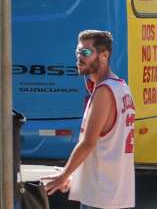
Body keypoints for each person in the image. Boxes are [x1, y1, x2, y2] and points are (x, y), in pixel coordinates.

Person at [44, 30, 135, 209]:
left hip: (101, 196)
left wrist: (63, 176)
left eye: (85, 52)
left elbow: (89, 143)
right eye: (78, 52)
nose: (79, 57)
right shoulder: (121, 87)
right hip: (116, 193)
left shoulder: (104, 91)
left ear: (104, 56)